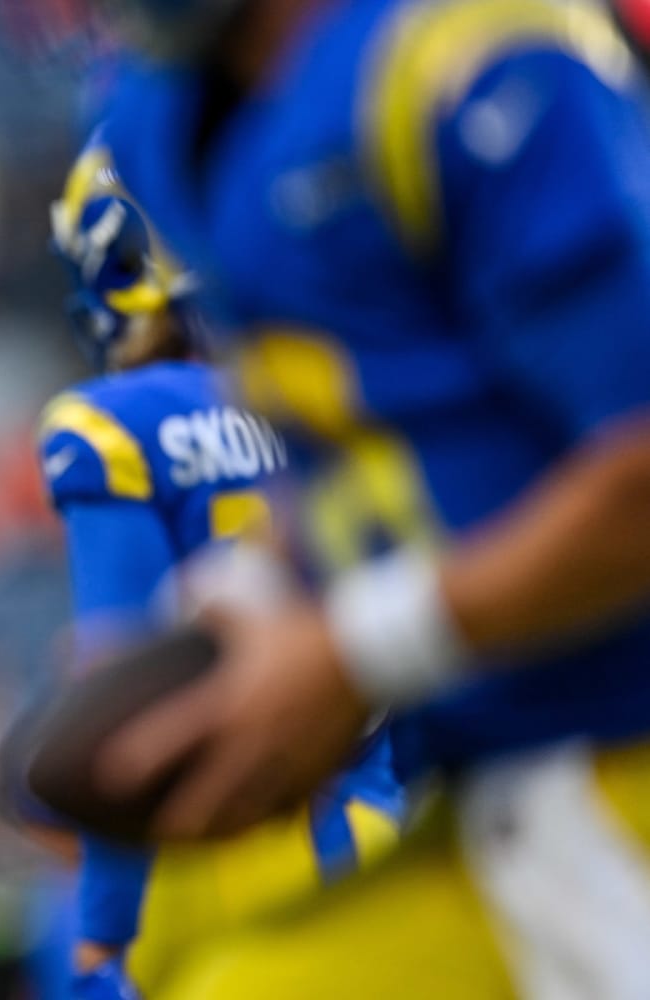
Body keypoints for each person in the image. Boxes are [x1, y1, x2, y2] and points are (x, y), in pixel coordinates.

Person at [75, 0, 650, 994]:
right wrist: (244, 591)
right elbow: (355, 443)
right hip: (492, 767)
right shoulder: (160, 119)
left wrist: (363, 646)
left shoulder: (473, 60)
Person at [19, 132, 400, 999]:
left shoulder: (116, 421)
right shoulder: (340, 393)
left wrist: (103, 933)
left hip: (222, 859)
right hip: (387, 834)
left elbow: (119, 708)